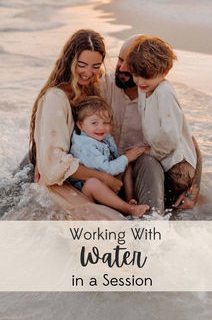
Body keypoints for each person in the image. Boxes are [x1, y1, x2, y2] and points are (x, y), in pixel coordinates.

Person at [29, 29, 126, 220]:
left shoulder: (95, 88)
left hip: (89, 180)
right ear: (70, 61)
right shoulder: (55, 98)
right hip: (61, 184)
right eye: (82, 65)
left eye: (96, 66)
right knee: (108, 223)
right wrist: (104, 178)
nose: (88, 73)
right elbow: (53, 166)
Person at [102, 35, 202, 213]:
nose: (123, 67)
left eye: (130, 64)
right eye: (120, 60)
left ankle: (153, 225)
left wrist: (194, 189)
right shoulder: (105, 85)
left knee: (148, 160)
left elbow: (187, 140)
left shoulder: (161, 93)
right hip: (115, 171)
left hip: (156, 172)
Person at [126, 35, 197, 207]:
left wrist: (153, 153)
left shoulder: (164, 92)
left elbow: (169, 133)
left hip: (178, 166)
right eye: (136, 75)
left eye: (146, 76)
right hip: (168, 159)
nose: (140, 81)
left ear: (164, 73)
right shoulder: (146, 88)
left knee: (164, 201)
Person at [69, 96, 149, 217]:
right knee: (93, 183)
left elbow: (115, 159)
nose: (101, 127)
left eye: (105, 123)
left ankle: (129, 198)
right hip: (88, 191)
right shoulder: (84, 146)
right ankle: (128, 208)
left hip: (108, 179)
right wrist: (127, 157)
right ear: (81, 125)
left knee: (126, 164)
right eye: (94, 123)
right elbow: (107, 169)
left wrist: (128, 158)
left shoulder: (101, 137)